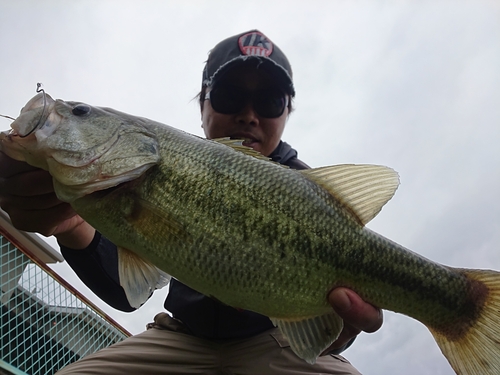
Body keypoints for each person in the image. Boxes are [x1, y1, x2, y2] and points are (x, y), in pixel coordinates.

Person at [0, 30, 382, 374]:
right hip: (180, 336)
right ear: (203, 104)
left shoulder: (319, 199)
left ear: (287, 113)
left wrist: (334, 331)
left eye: (269, 100)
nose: (249, 115)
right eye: (230, 95)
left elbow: (336, 323)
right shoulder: (150, 168)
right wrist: (73, 228)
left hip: (279, 343)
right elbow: (127, 290)